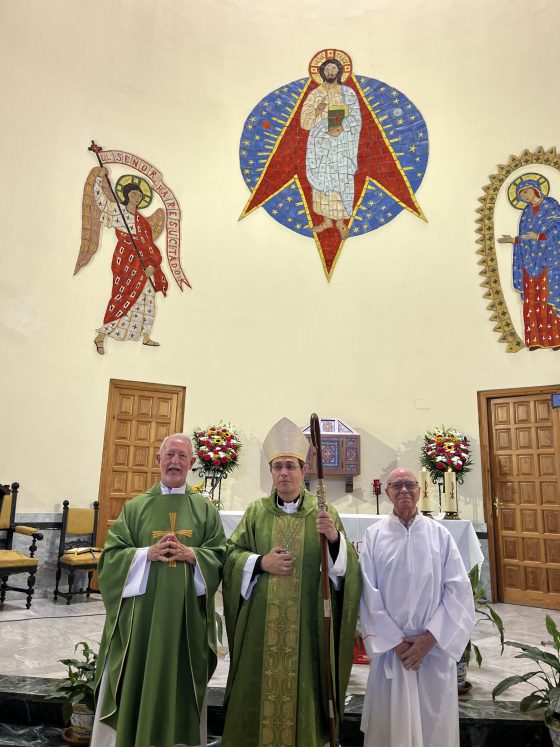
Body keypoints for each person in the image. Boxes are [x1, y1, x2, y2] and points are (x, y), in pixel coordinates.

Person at [221, 417, 361, 747]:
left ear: (303, 471)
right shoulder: (256, 512)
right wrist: (259, 562)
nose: (283, 473)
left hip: (308, 628)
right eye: (277, 467)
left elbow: (348, 571)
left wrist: (335, 539)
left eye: (290, 466)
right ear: (271, 473)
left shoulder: (323, 512)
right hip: (261, 627)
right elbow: (229, 557)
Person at [91, 434, 226, 747]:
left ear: (192, 463)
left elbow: (221, 557)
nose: (175, 462)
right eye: (169, 455)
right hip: (141, 620)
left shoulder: (205, 510)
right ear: (157, 460)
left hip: (185, 621)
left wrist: (193, 555)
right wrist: (144, 554)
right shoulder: (136, 507)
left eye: (182, 456)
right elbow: (110, 559)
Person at [359, 468, 475, 747]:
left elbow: (459, 592)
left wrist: (429, 639)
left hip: (432, 651)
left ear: (420, 491)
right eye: (396, 485)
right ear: (387, 493)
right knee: (391, 726)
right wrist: (397, 643)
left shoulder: (441, 535)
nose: (404, 490)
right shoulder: (374, 536)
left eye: (410, 484)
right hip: (393, 653)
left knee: (433, 726)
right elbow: (367, 594)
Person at [91, 167, 169, 355]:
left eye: (140, 195)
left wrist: (152, 265)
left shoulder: (142, 221)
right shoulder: (118, 211)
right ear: (127, 194)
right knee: (121, 297)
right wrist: (98, 180)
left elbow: (149, 245)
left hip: (143, 263)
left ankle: (145, 335)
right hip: (126, 260)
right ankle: (101, 335)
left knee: (148, 296)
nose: (137, 197)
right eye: (134, 193)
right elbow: (101, 202)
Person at [300, 57, 362, 240]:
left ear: (339, 72)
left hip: (342, 144)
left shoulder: (347, 93)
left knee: (341, 179)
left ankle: (341, 222)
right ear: (322, 72)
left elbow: (357, 118)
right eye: (327, 69)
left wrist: (343, 127)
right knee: (322, 180)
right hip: (319, 145)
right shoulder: (315, 94)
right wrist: (319, 109)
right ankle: (326, 221)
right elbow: (305, 122)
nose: (330, 72)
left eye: (334, 69)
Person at [498, 177, 560, 349]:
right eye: (521, 194)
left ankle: (555, 339)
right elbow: (527, 237)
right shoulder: (526, 212)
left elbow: (558, 226)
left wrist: (541, 236)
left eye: (525, 191)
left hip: (548, 260)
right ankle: (534, 340)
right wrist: (514, 240)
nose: (524, 196)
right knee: (532, 299)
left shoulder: (550, 205)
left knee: (548, 297)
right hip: (529, 261)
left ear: (535, 189)